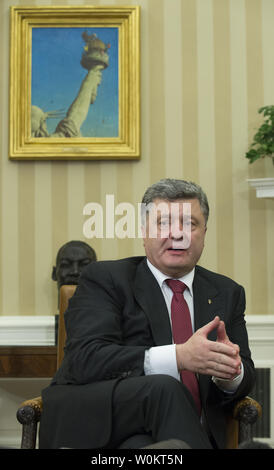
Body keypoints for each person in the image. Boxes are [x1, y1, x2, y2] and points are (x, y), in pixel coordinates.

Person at [39, 179, 255, 449]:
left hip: (160, 440)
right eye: (163, 223)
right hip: (105, 425)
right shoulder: (106, 279)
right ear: (144, 231)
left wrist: (228, 372)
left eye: (190, 224)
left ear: (204, 232)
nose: (177, 235)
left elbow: (244, 375)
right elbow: (85, 360)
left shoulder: (227, 292)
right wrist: (180, 356)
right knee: (162, 388)